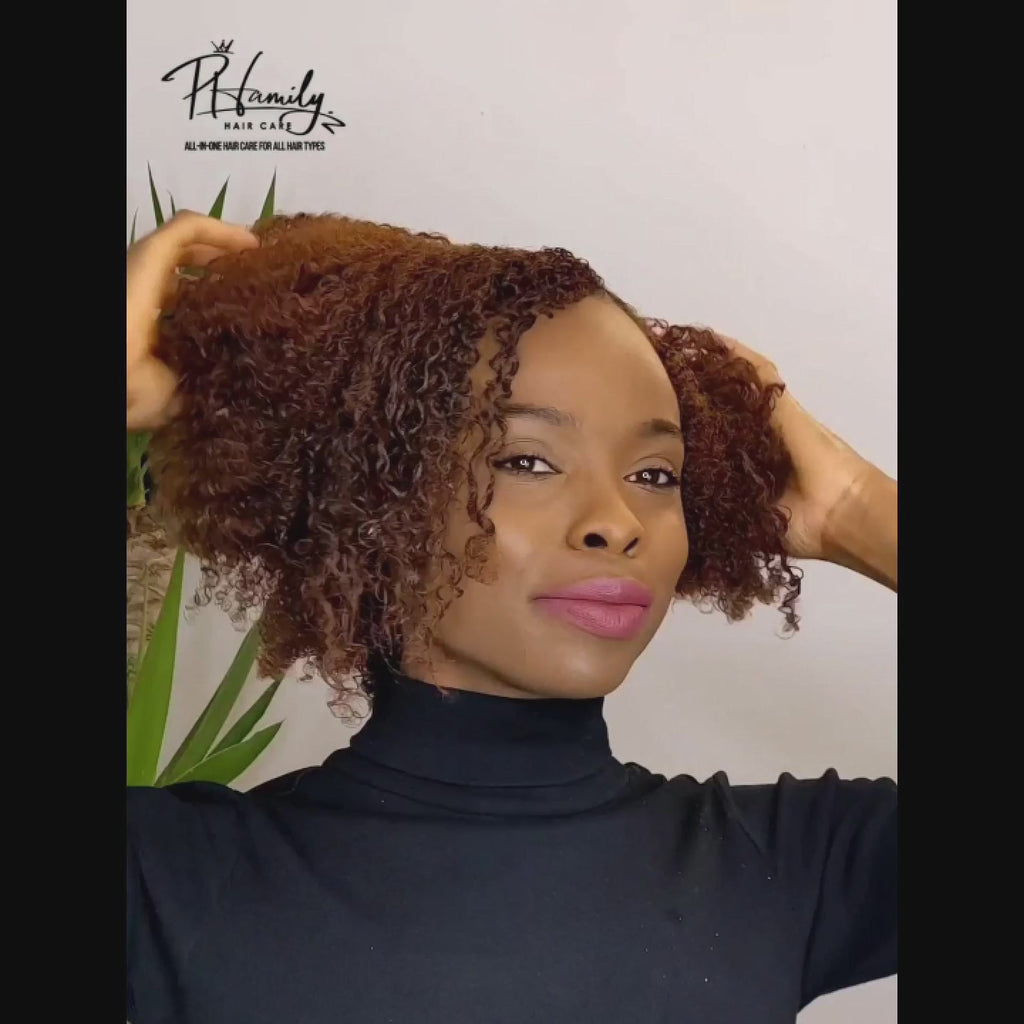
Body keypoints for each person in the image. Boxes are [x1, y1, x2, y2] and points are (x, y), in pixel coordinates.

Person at [127, 210, 897, 1024]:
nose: (616, 522)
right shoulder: (169, 881)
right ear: (374, 499)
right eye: (527, 460)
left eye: (655, 474)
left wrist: (853, 508)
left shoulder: (790, 866)